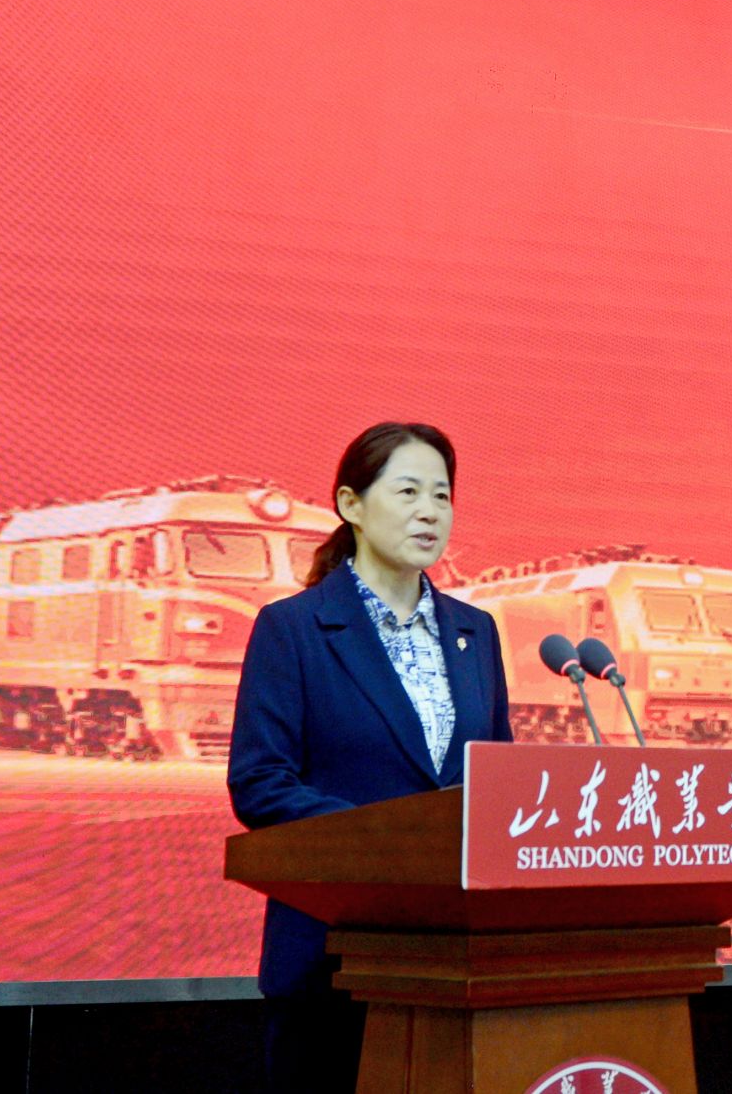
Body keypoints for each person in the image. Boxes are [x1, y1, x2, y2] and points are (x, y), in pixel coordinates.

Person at [228, 422, 514, 1094]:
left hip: (457, 966)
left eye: (442, 495)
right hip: (332, 961)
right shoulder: (293, 628)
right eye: (408, 491)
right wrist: (390, 843)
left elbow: (497, 781)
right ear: (350, 504)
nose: (429, 512)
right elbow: (260, 783)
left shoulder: (476, 632)